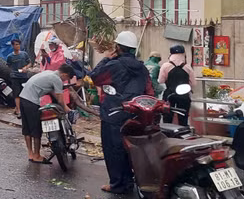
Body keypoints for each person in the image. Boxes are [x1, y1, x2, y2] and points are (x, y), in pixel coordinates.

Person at [89, 31, 154, 194]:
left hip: (113, 114)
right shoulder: (142, 67)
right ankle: (129, 181)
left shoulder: (114, 65)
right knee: (130, 149)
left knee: (113, 150)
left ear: (118, 47)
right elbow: (150, 91)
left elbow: (95, 77)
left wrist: (106, 58)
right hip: (136, 114)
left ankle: (118, 184)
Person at [19, 64, 77, 163]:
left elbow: (52, 92)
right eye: (66, 78)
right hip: (32, 102)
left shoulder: (48, 73)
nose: (64, 81)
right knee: (36, 129)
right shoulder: (57, 79)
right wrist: (68, 110)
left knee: (27, 129)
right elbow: (60, 99)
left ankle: (30, 154)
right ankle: (36, 155)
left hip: (23, 98)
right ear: (64, 74)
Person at [159, 44, 195, 126]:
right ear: (183, 54)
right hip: (184, 95)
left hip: (169, 95)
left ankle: (168, 135)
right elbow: (193, 83)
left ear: (171, 54)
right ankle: (183, 134)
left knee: (167, 117)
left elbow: (160, 80)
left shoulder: (165, 66)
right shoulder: (187, 67)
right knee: (183, 118)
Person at [6, 39, 30, 117]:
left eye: (18, 44)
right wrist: (13, 72)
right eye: (15, 44)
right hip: (15, 77)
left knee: (25, 93)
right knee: (16, 94)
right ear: (12, 46)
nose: (17, 46)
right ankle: (18, 110)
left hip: (24, 76)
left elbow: (29, 63)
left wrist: (26, 68)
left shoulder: (24, 54)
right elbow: (8, 66)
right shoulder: (10, 56)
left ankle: (25, 109)